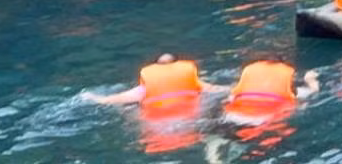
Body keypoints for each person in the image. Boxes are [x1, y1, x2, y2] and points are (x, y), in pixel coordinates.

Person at [84, 53, 223, 118]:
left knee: (126, 110)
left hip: (157, 126)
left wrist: (90, 96)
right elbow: (220, 91)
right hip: (190, 120)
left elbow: (110, 100)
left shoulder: (143, 88)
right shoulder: (195, 83)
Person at [223, 61, 321, 124]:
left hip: (232, 118)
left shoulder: (241, 90)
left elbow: (229, 98)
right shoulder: (292, 91)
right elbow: (313, 91)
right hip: (263, 121)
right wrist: (310, 79)